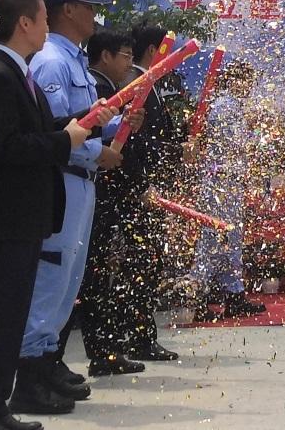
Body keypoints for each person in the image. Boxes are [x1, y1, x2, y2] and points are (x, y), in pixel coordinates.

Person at [0, 0, 103, 430]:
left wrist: (83, 124)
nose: (48, 26)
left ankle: (3, 402)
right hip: (11, 217)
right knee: (7, 316)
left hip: (28, 215)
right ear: (25, 23)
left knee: (16, 313)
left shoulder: (18, 71)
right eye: (44, 18)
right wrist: (64, 140)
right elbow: (7, 147)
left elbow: (38, 127)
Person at [13, 0, 127, 416]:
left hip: (83, 181)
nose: (95, 15)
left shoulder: (74, 61)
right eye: (89, 6)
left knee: (68, 280)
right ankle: (30, 374)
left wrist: (116, 125)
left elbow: (87, 121)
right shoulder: (51, 62)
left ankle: (47, 363)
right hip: (64, 179)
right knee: (51, 276)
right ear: (68, 10)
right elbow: (59, 131)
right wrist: (99, 152)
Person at [64, 29, 146, 377]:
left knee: (95, 275)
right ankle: (87, 353)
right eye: (125, 55)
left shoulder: (108, 88)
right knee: (87, 276)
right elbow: (75, 134)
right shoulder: (97, 86)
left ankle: (103, 350)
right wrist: (102, 152)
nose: (130, 63)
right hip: (93, 186)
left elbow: (102, 130)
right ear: (106, 56)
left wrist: (123, 124)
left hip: (100, 187)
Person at [111, 21, 183, 362]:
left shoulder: (149, 85)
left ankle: (139, 334)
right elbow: (130, 144)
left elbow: (158, 141)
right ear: (155, 50)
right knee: (140, 263)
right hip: (137, 192)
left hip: (150, 189)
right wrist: (142, 186)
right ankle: (136, 336)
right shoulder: (135, 85)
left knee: (149, 263)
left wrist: (181, 150)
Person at [187, 60, 266, 320]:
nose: (247, 86)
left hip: (231, 182)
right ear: (232, 80)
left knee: (232, 240)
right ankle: (197, 297)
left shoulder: (235, 107)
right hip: (219, 182)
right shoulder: (223, 107)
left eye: (249, 81)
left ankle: (234, 294)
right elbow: (233, 143)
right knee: (211, 238)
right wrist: (255, 132)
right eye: (243, 80)